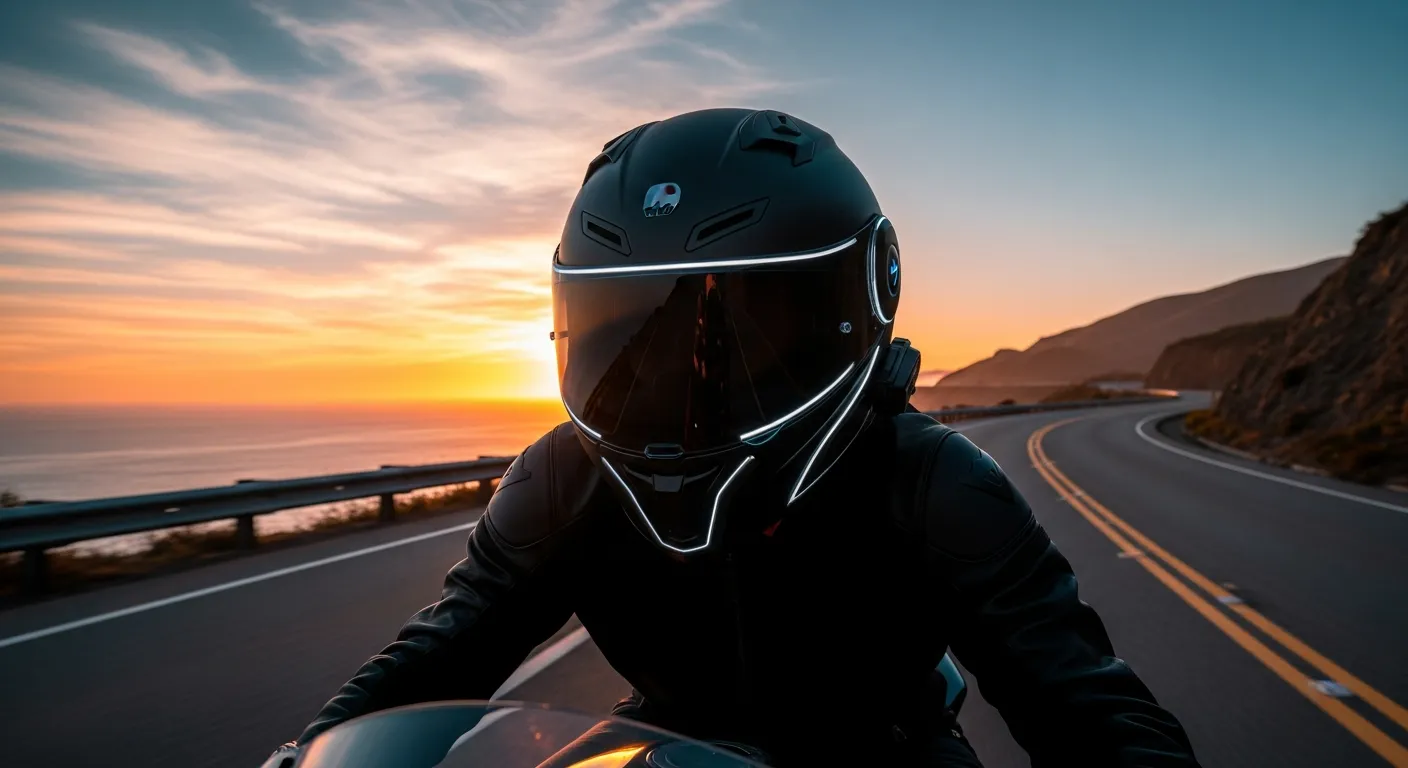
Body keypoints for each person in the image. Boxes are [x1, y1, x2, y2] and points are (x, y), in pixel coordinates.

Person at [270, 108, 1199, 767]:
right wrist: (305, 752)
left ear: (864, 297)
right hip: (665, 750)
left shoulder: (928, 482)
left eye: (742, 327)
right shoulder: (566, 476)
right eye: (631, 334)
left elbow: (1084, 701)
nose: (680, 376)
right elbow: (448, 645)